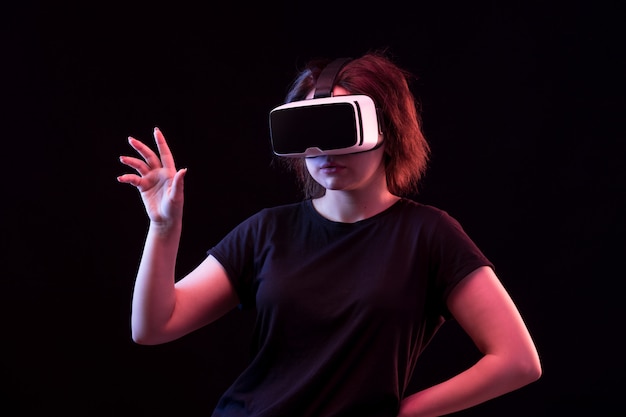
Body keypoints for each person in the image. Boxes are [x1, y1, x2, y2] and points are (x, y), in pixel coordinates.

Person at [117, 50, 542, 417]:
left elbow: (517, 360)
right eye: (307, 132)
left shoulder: (429, 235)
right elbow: (154, 327)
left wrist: (403, 412)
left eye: (340, 129)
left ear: (387, 133)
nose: (323, 152)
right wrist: (164, 227)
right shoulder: (268, 230)